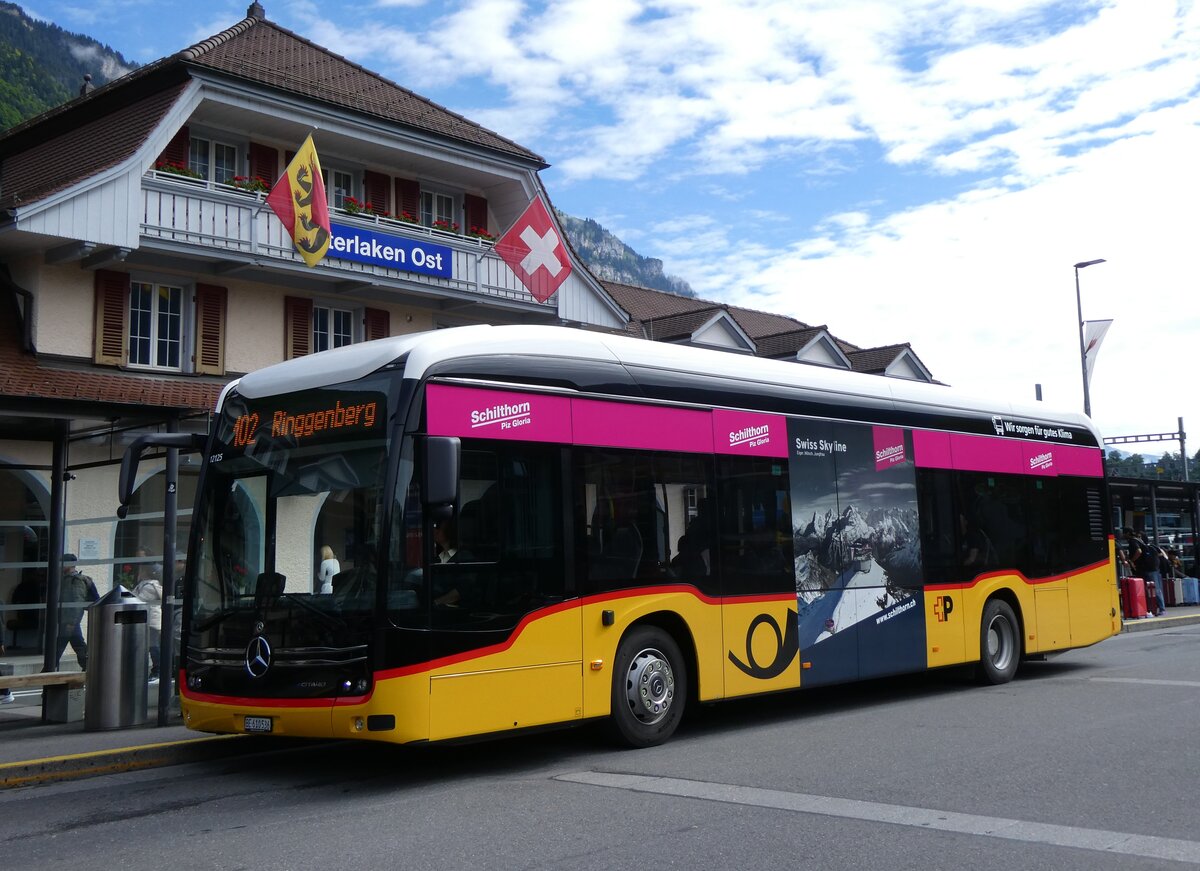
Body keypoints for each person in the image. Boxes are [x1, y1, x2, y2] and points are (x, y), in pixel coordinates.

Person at [56, 554, 98, 671]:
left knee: (57, 649)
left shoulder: (76, 581)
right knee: (78, 645)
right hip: (67, 620)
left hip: (69, 621)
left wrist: (71, 623)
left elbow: (76, 605)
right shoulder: (66, 579)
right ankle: (90, 668)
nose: (60, 566)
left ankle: (47, 671)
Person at [134, 566, 163, 681]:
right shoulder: (143, 584)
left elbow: (137, 600)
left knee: (153, 646)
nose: (139, 572)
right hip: (149, 621)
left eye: (141, 570)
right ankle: (157, 670)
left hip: (151, 621)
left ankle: (158, 671)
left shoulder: (149, 587)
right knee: (151, 646)